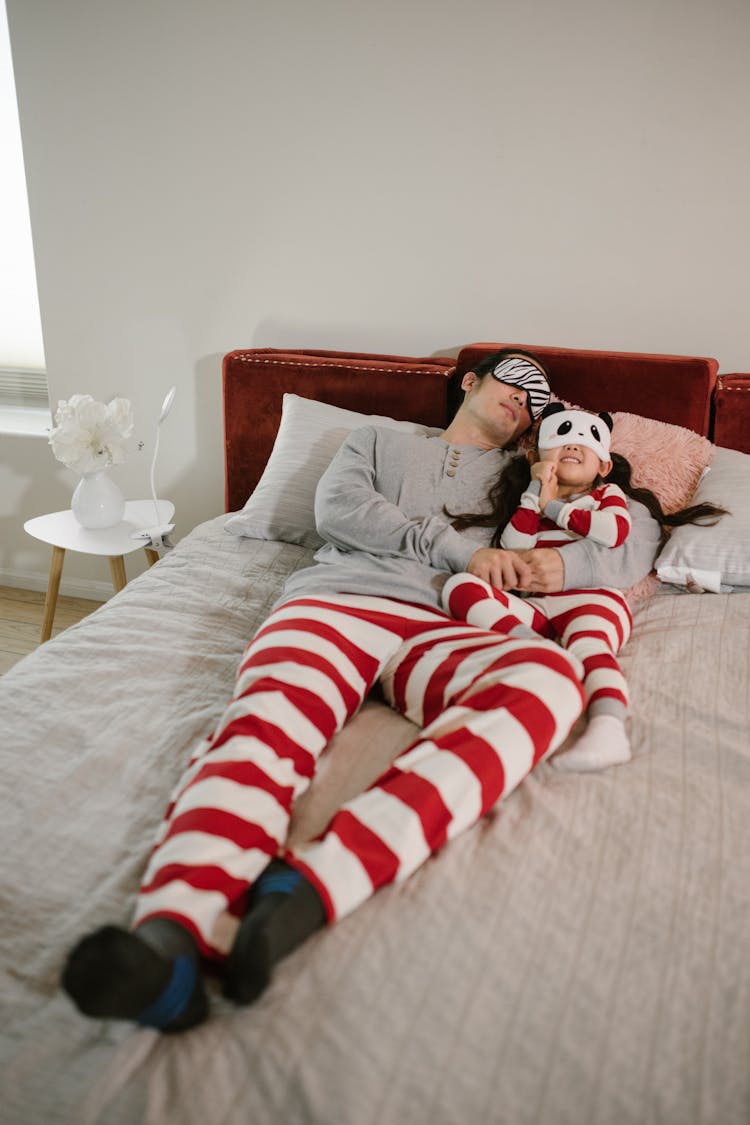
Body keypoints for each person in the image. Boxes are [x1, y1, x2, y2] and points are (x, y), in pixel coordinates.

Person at [61, 350, 663, 1033]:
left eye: (539, 401)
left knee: (552, 682)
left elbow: (637, 532)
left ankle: (317, 886)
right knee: (265, 724)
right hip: (338, 601)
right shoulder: (375, 440)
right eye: (515, 381)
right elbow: (338, 508)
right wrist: (457, 548)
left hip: (451, 621)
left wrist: (558, 563)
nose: (524, 401)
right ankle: (170, 937)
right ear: (469, 381)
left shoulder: (533, 479)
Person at [443, 402, 728, 770]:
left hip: (592, 599)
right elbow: (515, 546)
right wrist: (534, 496)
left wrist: (554, 509)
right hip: (537, 605)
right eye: (561, 441)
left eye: (585, 443)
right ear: (535, 457)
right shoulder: (532, 499)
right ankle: (540, 652)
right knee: (460, 587)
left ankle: (608, 729)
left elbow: (614, 533)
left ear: (604, 465)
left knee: (591, 647)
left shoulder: (606, 496)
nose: (573, 447)